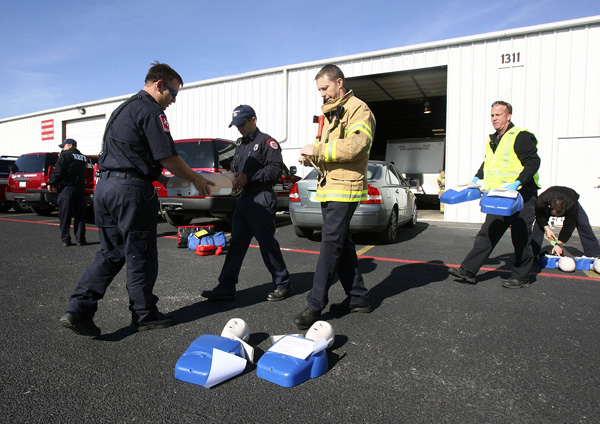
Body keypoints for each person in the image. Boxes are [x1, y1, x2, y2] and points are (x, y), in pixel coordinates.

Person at [60, 61, 213, 337]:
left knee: (110, 252)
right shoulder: (151, 111)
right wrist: (196, 178)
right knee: (140, 253)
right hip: (130, 194)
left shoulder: (124, 109)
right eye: (173, 93)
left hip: (105, 189)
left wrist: (160, 178)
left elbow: (132, 155)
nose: (173, 100)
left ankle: (78, 309)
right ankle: (144, 314)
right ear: (159, 85)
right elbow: (167, 156)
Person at [293, 64, 375, 330]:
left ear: (339, 83)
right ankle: (358, 298)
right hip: (331, 187)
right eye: (319, 90)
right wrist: (312, 158)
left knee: (331, 243)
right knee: (343, 243)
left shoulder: (359, 109)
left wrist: (317, 149)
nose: (322, 94)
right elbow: (332, 153)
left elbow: (355, 146)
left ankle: (315, 304)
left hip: (345, 188)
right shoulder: (331, 113)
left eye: (325, 88)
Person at [201, 105, 292, 302]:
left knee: (267, 244)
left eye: (242, 124)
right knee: (236, 244)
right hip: (243, 200)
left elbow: (276, 170)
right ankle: (226, 286)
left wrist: (248, 177)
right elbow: (236, 168)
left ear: (253, 120)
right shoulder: (240, 144)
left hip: (261, 198)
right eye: (236, 125)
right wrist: (231, 180)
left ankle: (283, 283)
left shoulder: (267, 142)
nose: (239, 128)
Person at [448, 101, 541, 289]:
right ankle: (469, 270)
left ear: (508, 116)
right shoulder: (493, 139)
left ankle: (521, 277)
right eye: (492, 115)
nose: (494, 118)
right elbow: (489, 164)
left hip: (522, 196)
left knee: (521, 237)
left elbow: (533, 162)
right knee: (488, 232)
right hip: (499, 196)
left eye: (499, 115)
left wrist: (518, 183)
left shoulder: (520, 136)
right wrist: (475, 179)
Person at [532, 186, 600, 258]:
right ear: (549, 207)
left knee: (583, 223)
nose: (557, 218)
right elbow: (540, 217)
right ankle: (533, 253)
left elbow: (569, 225)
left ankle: (593, 253)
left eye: (560, 215)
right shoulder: (541, 201)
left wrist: (559, 243)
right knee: (539, 225)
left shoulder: (572, 205)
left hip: (570, 197)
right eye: (556, 215)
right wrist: (547, 229)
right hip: (550, 199)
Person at [47, 138, 87, 247]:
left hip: (67, 188)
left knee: (65, 214)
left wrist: (51, 183)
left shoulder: (65, 155)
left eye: (63, 146)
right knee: (80, 215)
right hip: (79, 188)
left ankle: (66, 239)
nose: (62, 149)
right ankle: (80, 239)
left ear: (69, 145)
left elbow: (59, 171)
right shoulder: (82, 157)